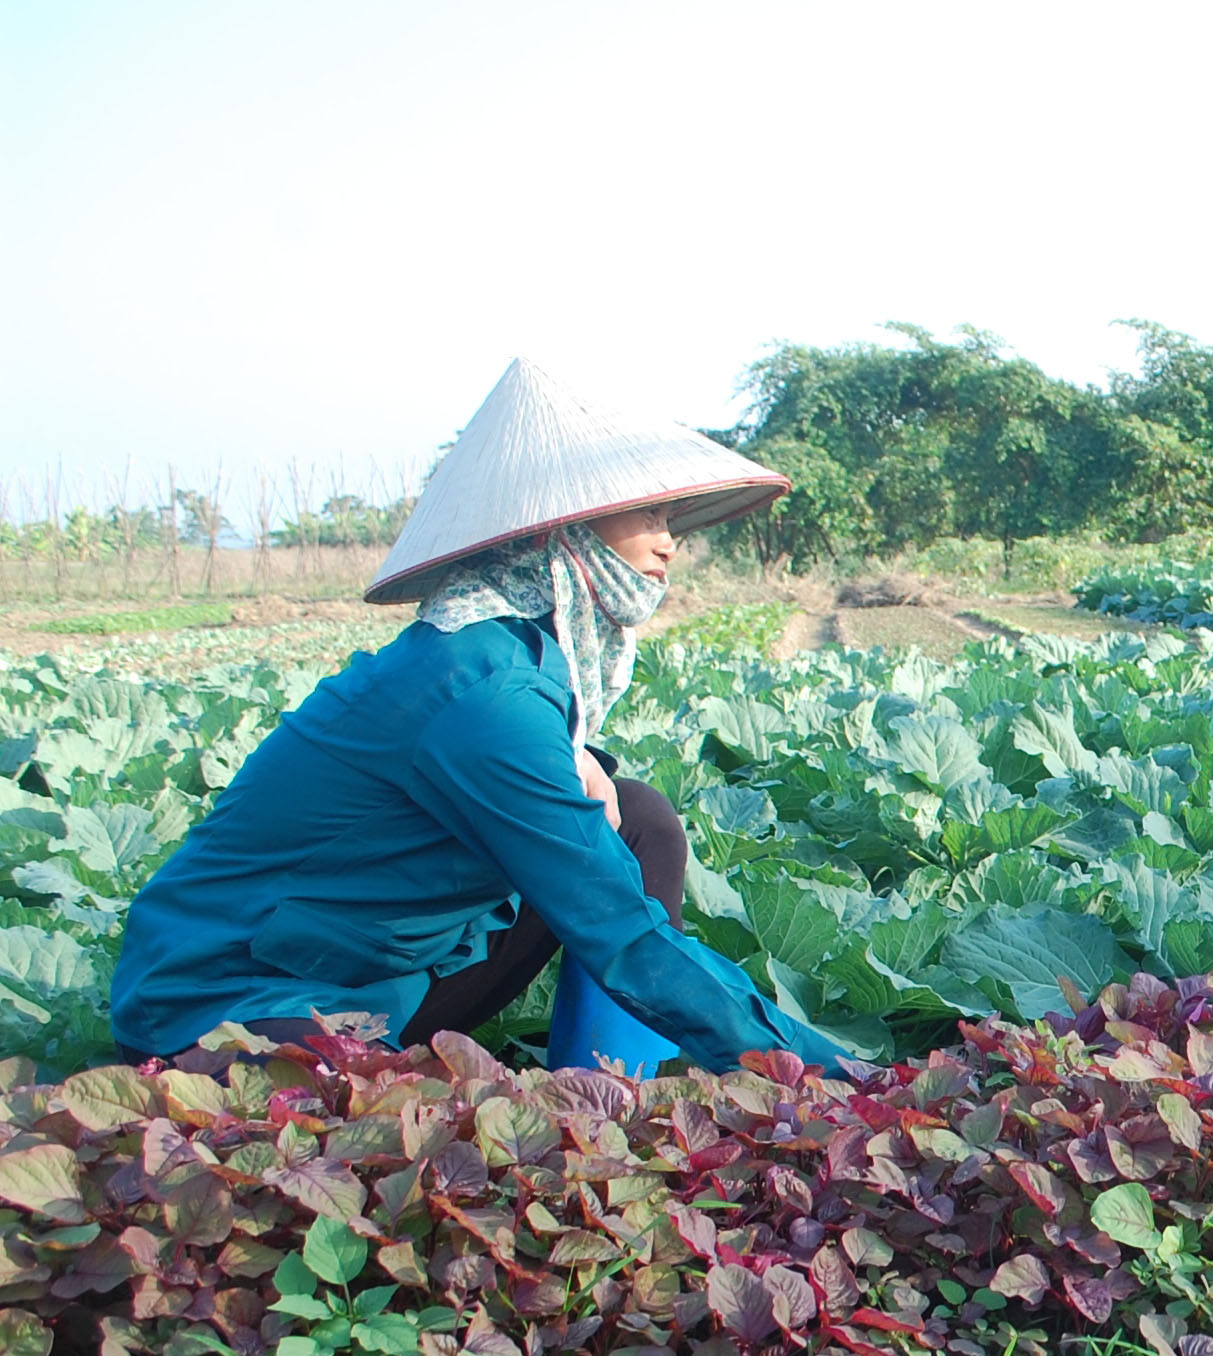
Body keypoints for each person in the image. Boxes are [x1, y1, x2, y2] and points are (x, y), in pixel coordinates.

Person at [111, 359, 857, 1075]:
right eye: (651, 513)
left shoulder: (514, 654)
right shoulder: (481, 692)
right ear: (568, 527)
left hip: (371, 978)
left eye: (672, 518)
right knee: (388, 1137)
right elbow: (620, 931)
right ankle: (700, 1085)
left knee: (634, 817)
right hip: (235, 1001)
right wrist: (827, 1075)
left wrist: (587, 767)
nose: (670, 541)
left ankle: (614, 1086)